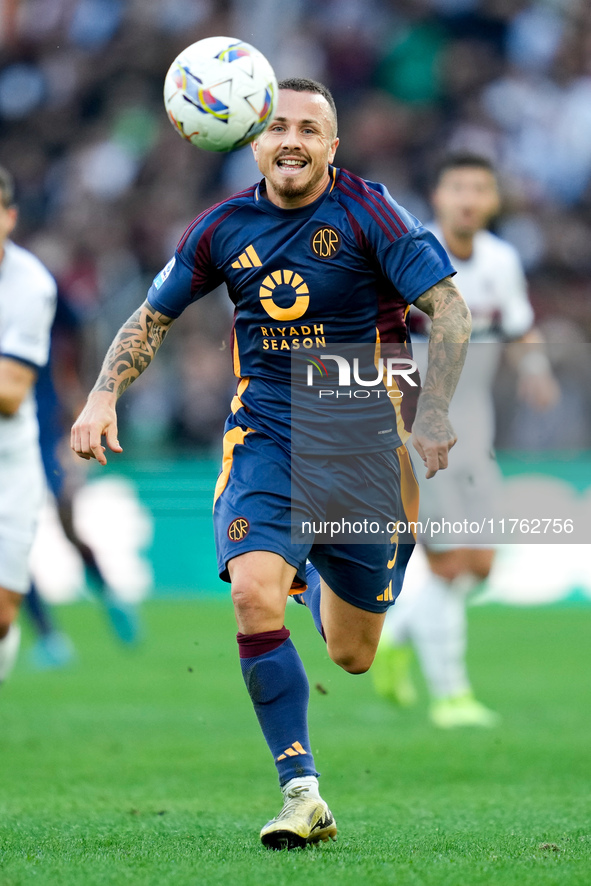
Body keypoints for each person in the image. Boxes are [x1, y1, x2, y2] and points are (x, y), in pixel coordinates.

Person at [71, 79, 471, 849]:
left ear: (332, 146)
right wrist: (101, 395)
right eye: (277, 126)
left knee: (352, 655)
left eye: (309, 129)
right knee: (254, 594)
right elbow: (152, 315)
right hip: (267, 434)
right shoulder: (224, 225)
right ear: (251, 139)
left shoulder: (370, 212)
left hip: (359, 440)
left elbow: (448, 309)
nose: (291, 139)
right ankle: (301, 790)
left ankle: (314, 567)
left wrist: (436, 409)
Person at [373, 152, 558, 728]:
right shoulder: (411, 255)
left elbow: (520, 324)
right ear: (438, 198)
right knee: (450, 564)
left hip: (477, 431)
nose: (470, 198)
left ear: (494, 200)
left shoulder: (502, 260)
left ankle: (395, 635)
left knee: (480, 564)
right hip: (419, 430)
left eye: (480, 188)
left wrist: (537, 370)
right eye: (458, 188)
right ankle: (451, 696)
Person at [24, 293, 140, 670]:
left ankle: (110, 597)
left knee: (67, 526)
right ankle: (49, 637)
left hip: (47, 435)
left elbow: (79, 335)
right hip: (11, 442)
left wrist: (83, 405)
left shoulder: (35, 294)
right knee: (10, 543)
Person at [0, 165, 57, 687]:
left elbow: (10, 393)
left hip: (8, 461)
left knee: (1, 615)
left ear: (9, 217)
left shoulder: (30, 285)